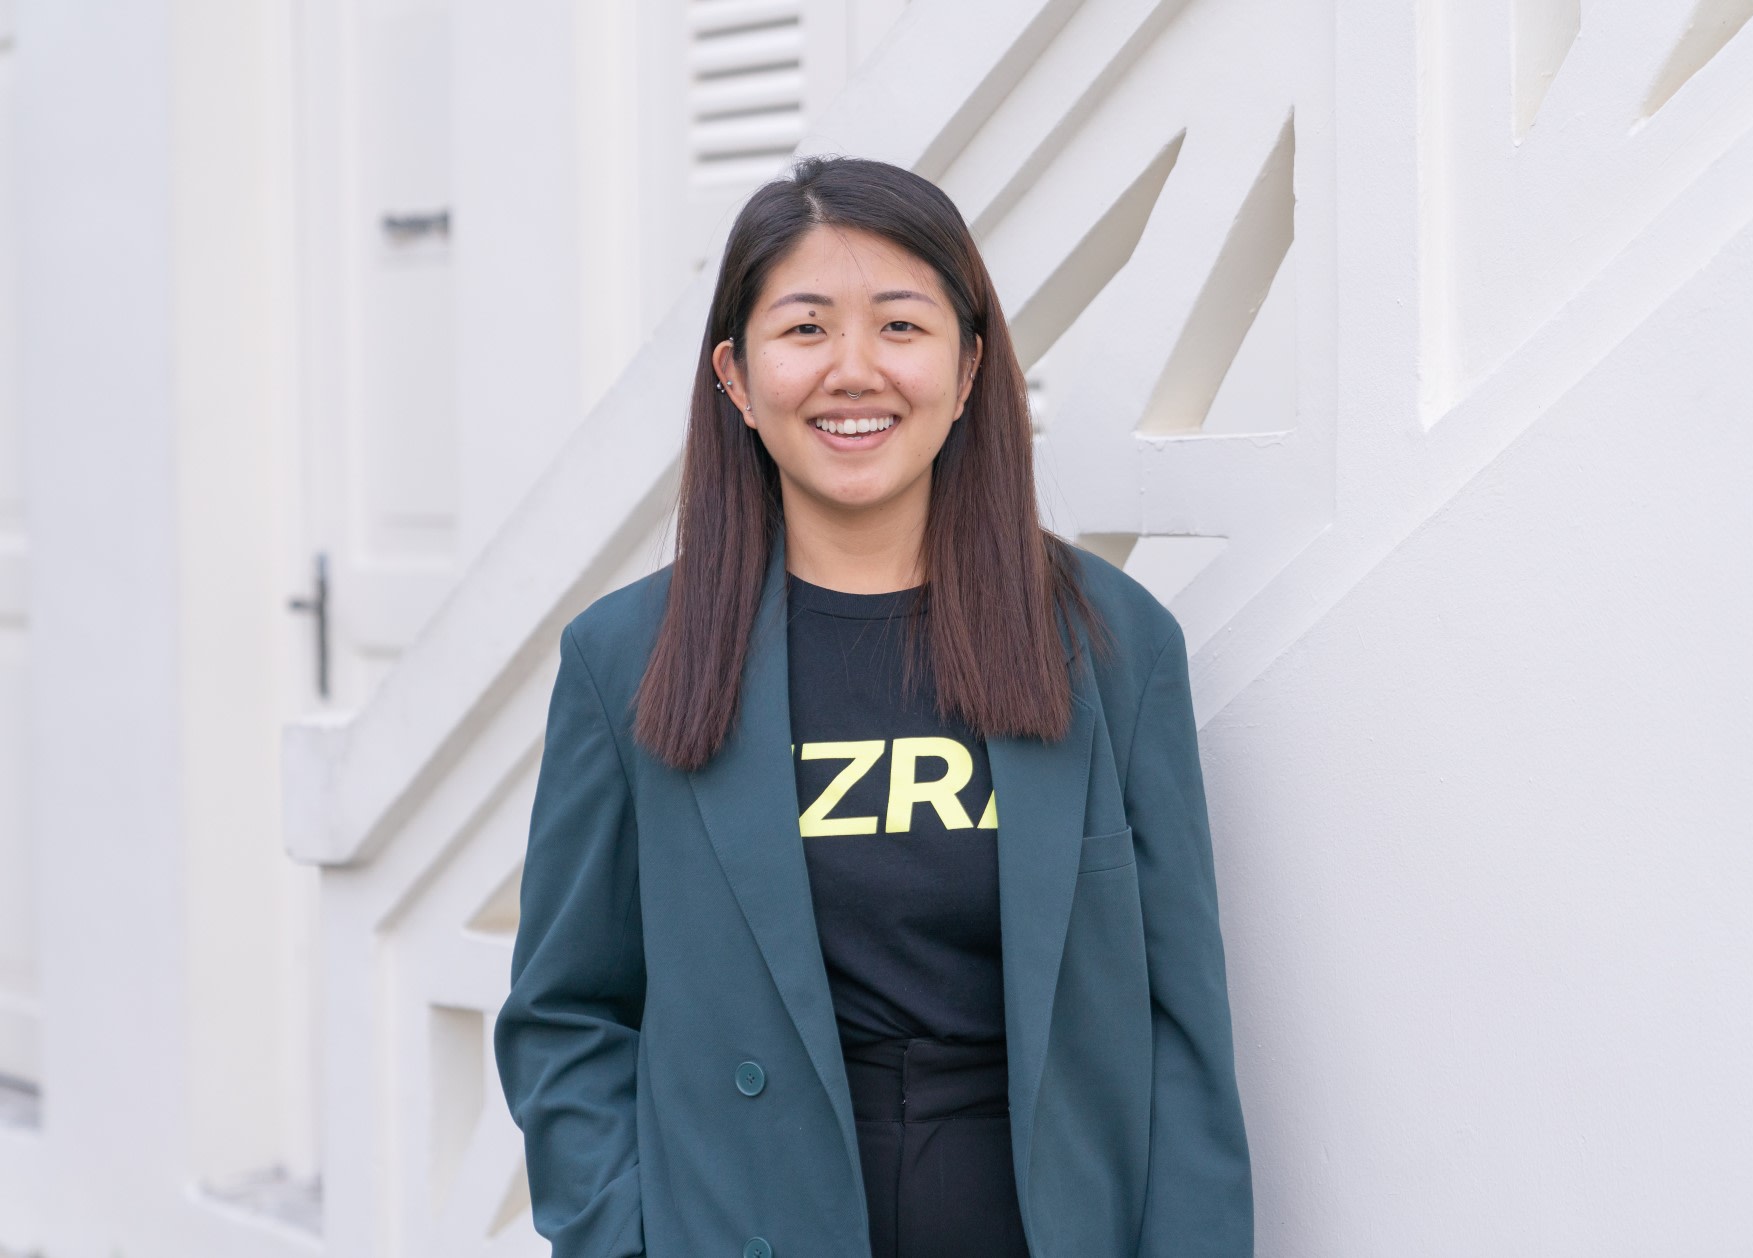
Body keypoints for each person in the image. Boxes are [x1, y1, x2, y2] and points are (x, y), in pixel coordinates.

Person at [493, 154, 1253, 1258]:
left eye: (900, 326)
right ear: (736, 378)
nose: (854, 370)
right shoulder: (630, 661)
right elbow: (566, 1014)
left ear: (969, 364)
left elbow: (1180, 1032)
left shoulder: (1112, 646)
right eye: (804, 330)